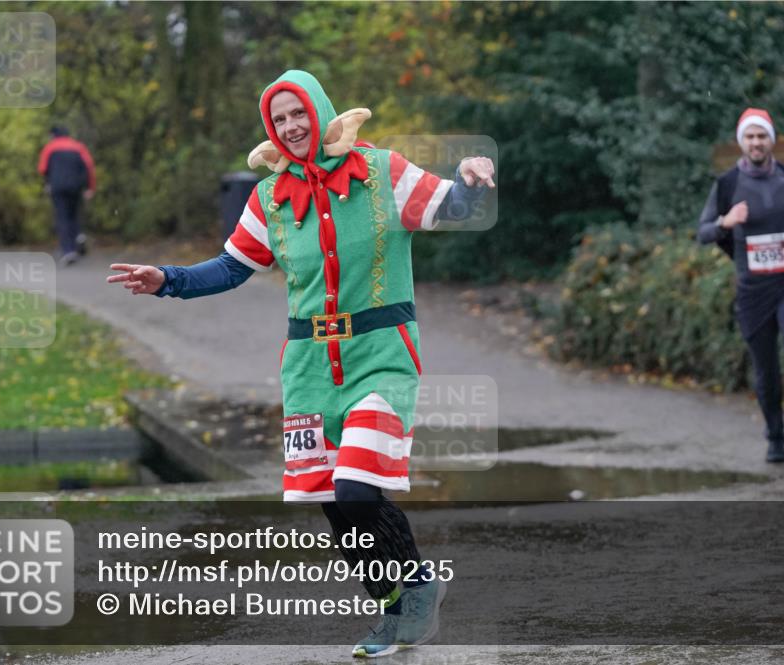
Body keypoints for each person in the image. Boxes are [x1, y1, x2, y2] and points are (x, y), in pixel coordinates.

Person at [107, 70, 495, 657]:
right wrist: (168, 280)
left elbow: (451, 206)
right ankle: (391, 612)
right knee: (335, 502)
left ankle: (419, 587)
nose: (290, 127)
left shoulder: (381, 172)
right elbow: (232, 266)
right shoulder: (269, 197)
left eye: (298, 115)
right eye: (278, 119)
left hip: (381, 355)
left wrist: (470, 180)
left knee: (358, 488)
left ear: (319, 113)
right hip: (309, 366)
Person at [697, 107, 784, 463]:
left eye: (762, 136)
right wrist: (727, 220)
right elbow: (703, 232)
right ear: (742, 142)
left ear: (772, 139)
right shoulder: (726, 185)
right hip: (753, 290)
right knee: (766, 369)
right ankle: (775, 438)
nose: (756, 142)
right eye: (750, 137)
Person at [38, 126, 96, 266]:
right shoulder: (78, 147)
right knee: (74, 214)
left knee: (62, 217)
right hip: (76, 186)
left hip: (58, 187)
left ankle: (68, 251)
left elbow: (43, 169)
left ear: (54, 135)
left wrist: (47, 183)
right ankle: (78, 236)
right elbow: (89, 167)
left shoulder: (50, 148)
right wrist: (90, 187)